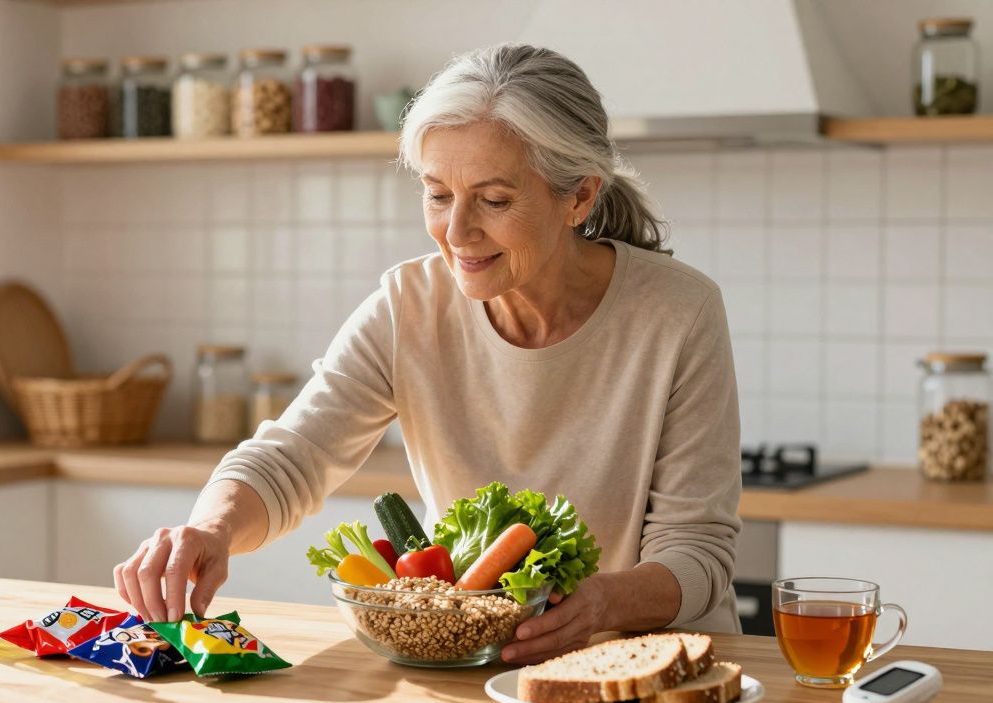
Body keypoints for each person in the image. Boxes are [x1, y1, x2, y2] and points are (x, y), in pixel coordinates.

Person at [114, 43, 741, 665]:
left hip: (660, 672)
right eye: (438, 194)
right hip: (481, 662)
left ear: (578, 196)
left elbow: (697, 552)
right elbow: (291, 457)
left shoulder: (679, 312)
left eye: (495, 201)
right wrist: (210, 528)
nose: (457, 232)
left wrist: (601, 604)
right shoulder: (408, 305)